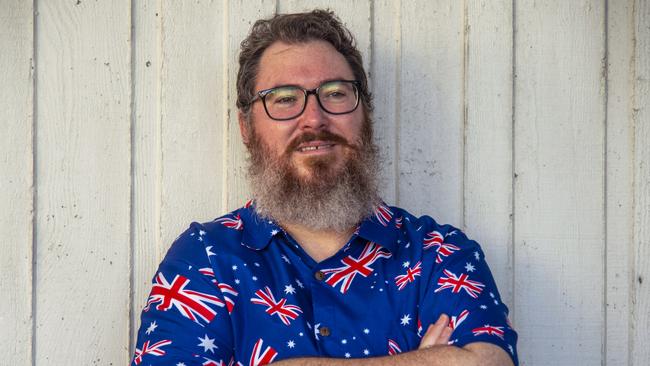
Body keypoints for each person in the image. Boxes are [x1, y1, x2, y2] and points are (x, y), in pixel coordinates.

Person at [132, 9, 518, 366]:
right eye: (284, 99)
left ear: (365, 114)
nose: (314, 118)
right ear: (246, 127)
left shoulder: (438, 254)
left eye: (335, 93)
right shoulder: (206, 259)